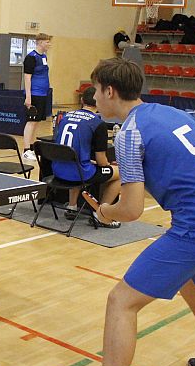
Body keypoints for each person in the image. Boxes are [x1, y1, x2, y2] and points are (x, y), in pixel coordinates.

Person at [85, 58, 195, 366]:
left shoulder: (129, 133)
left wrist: (105, 211)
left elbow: (131, 210)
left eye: (96, 90)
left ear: (110, 91)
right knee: (193, 285)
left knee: (121, 301)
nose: (94, 97)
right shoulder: (176, 113)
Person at [52, 86, 121, 228]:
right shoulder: (98, 123)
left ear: (82, 100)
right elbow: (101, 161)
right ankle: (101, 214)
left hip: (57, 170)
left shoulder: (65, 117)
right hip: (80, 174)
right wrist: (110, 165)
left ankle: (72, 207)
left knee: (76, 164)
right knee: (120, 173)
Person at [22, 33, 52, 161]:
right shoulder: (31, 58)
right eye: (47, 42)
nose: (49, 44)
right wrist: (28, 97)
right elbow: (27, 78)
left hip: (43, 94)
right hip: (34, 94)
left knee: (37, 122)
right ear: (40, 42)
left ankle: (32, 147)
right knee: (31, 122)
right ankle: (26, 150)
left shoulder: (44, 56)